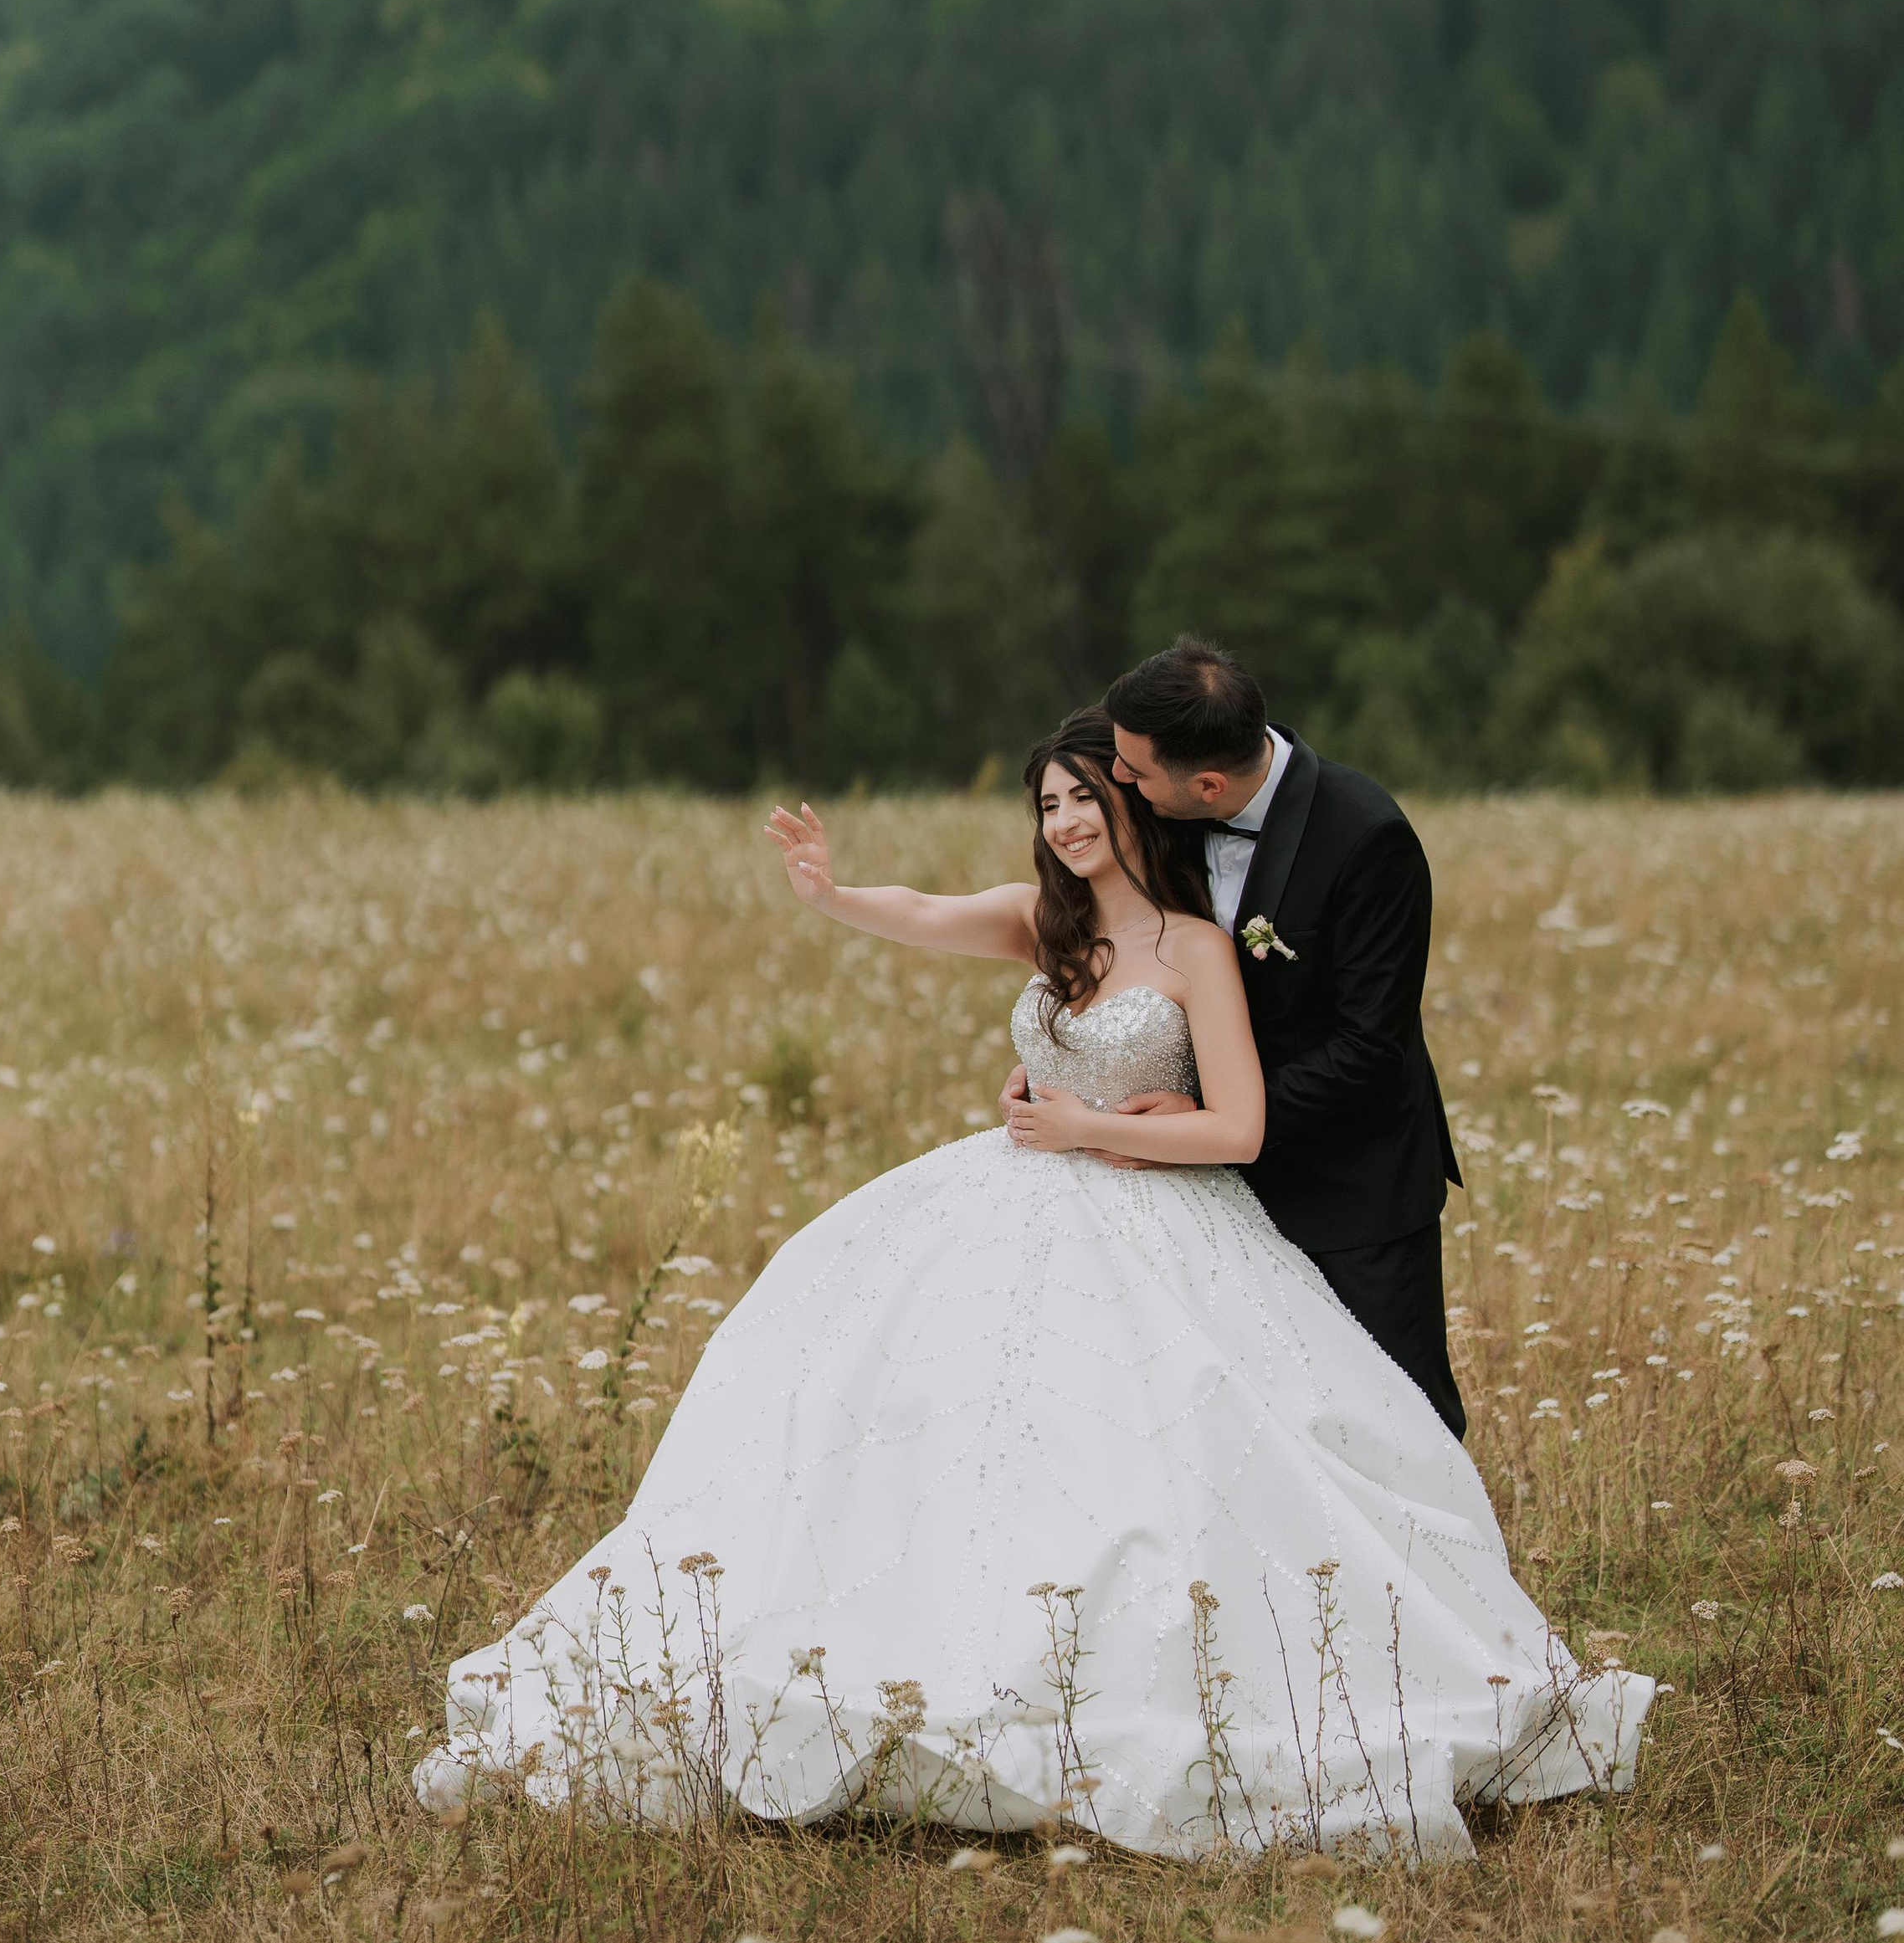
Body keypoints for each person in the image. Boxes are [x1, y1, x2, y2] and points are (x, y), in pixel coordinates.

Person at [413, 706, 1649, 1854]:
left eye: (1082, 800)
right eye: (1047, 803)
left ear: (1135, 806)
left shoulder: (1199, 950)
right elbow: (925, 911)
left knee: (1157, 1453)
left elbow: (1238, 1128)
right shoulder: (1043, 923)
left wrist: (1098, 1132)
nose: (1062, 823)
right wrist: (832, 893)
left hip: (1152, 1216)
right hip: (1010, 1202)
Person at [1013, 635, 1467, 1437]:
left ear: (1209, 784)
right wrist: (1072, 1061)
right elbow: (1132, 955)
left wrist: (1206, 1115)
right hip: (1200, 1197)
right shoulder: (1170, 805)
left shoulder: (1369, 840)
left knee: (1396, 1416)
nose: (1120, 782)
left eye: (1134, 772)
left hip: (1347, 1181)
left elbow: (1371, 1047)